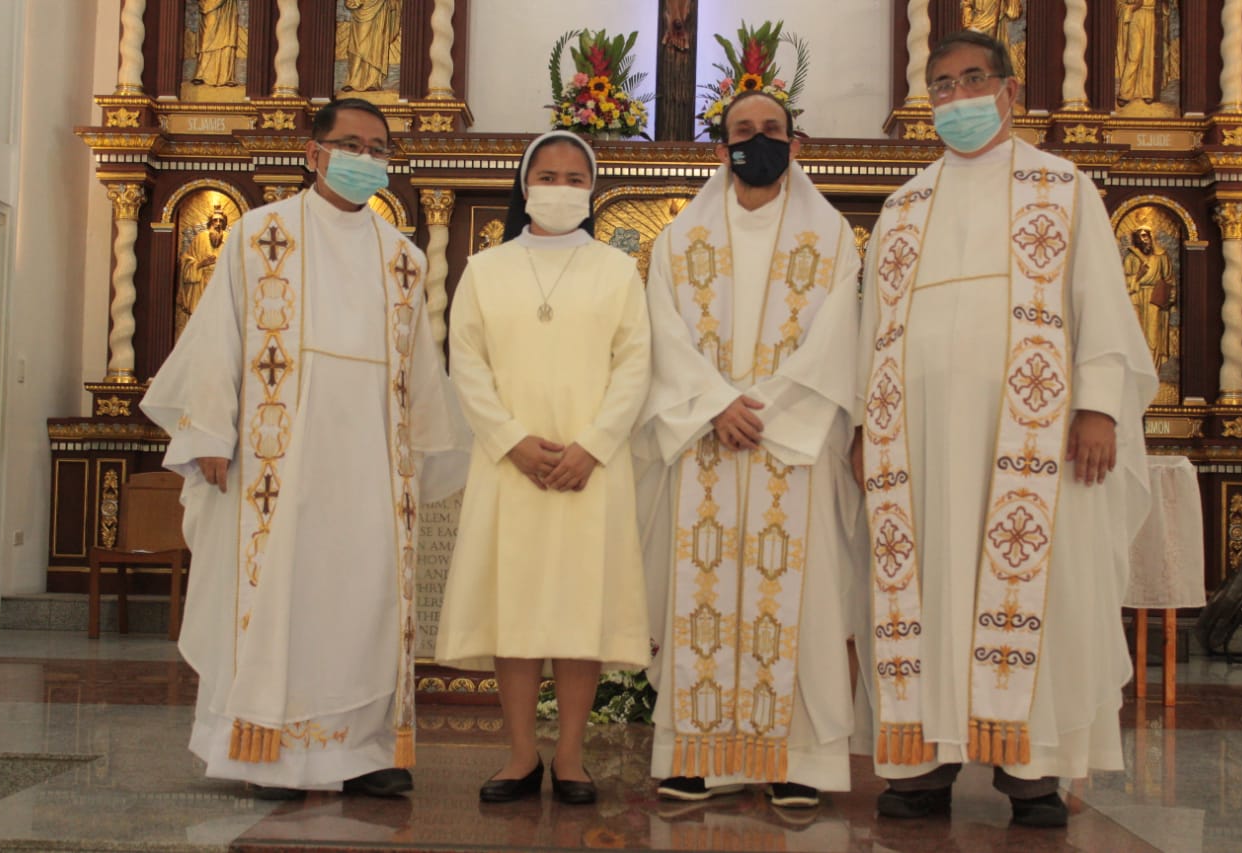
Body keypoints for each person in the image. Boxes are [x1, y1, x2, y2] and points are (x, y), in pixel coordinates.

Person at [852, 31, 1157, 828]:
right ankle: (921, 764)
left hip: (1032, 437)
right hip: (915, 443)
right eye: (943, 85)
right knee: (921, 593)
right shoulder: (903, 206)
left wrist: (1098, 404)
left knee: (1037, 590)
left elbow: (1102, 303)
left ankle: (1031, 769)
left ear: (1009, 91)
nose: (957, 97)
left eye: (972, 80)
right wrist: (862, 426)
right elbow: (871, 330)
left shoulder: (1063, 188)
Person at [141, 98, 468, 800]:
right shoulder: (260, 235)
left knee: (367, 602)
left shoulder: (404, 260)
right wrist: (210, 431)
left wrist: (424, 457)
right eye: (350, 143)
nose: (364, 158)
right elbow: (218, 339)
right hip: (278, 463)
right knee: (282, 596)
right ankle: (270, 751)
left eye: (377, 148)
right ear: (313, 152)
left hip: (373, 467)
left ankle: (364, 749)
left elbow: (421, 372)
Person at [635, 90, 866, 810]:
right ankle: (699, 756)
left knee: (805, 603)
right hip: (705, 443)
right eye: (743, 130)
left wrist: (763, 412)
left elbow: (838, 340)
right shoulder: (679, 241)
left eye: (771, 129)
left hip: (793, 448)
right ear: (721, 148)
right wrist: (713, 406)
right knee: (701, 594)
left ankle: (799, 760)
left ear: (794, 144)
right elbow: (662, 334)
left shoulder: (832, 238)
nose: (756, 140)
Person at [435, 130, 652, 806]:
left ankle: (572, 757)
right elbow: (466, 363)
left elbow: (635, 364)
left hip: (591, 469)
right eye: (548, 176)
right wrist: (511, 440)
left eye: (574, 178)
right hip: (511, 469)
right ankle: (521, 755)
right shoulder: (485, 268)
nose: (560, 188)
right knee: (517, 609)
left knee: (580, 612)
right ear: (525, 185)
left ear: (591, 189)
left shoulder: (617, 270)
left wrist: (594, 444)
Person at [1123, 224, 1175, 369]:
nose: (1143, 240)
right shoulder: (1131, 258)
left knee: (1153, 335)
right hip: (1136, 296)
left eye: (1145, 236)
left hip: (1154, 297)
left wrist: (1169, 298)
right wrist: (1138, 275)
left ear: (1151, 238)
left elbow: (1169, 280)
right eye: (1140, 237)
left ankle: (1153, 371)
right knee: (1136, 333)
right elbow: (1122, 282)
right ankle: (1136, 371)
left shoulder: (1161, 257)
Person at [176, 206, 229, 338]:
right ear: (210, 222)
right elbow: (186, 261)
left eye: (221, 221)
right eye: (215, 220)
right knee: (202, 320)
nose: (218, 224)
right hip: (201, 286)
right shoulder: (200, 238)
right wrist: (201, 264)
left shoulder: (229, 239)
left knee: (221, 320)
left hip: (222, 285)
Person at [342, 0, 400, 92]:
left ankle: (373, 82)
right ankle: (352, 81)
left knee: (375, 47)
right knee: (358, 48)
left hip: (379, 9)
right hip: (360, 9)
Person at [192, 0, 238, 87]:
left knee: (225, 37)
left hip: (226, 8)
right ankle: (201, 73)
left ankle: (225, 75)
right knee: (206, 39)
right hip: (207, 4)